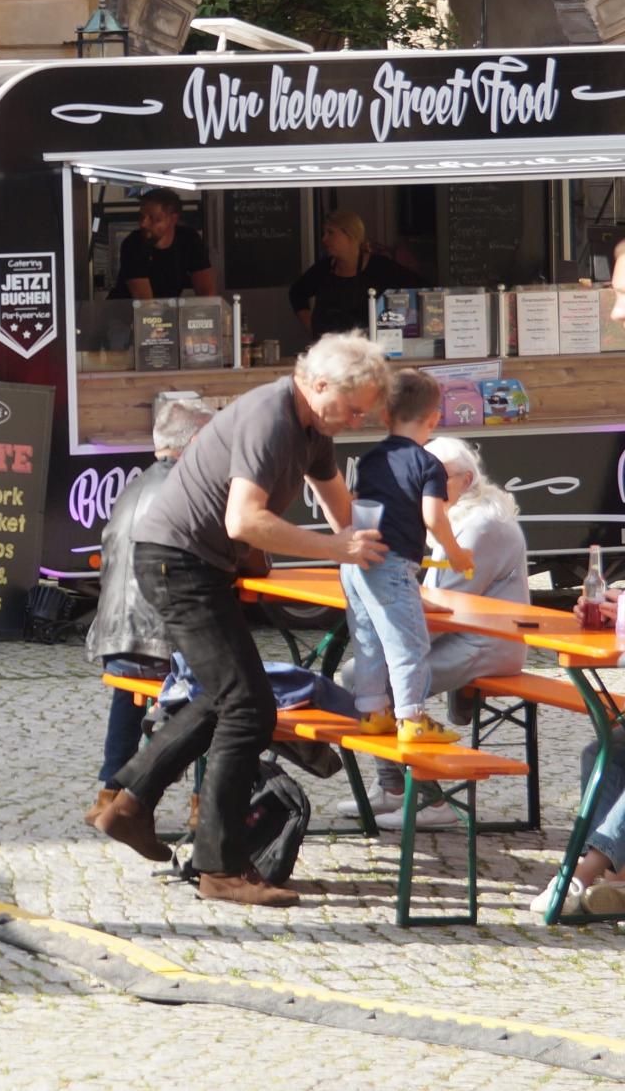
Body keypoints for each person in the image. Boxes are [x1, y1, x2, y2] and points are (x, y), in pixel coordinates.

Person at [89, 330, 388, 908]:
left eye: (364, 413)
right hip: (178, 563)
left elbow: (343, 514)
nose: (356, 421)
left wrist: (379, 557)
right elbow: (244, 522)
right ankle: (218, 867)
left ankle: (128, 804)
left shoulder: (313, 428)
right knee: (249, 708)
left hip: (196, 565)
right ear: (318, 384)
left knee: (231, 697)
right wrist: (336, 550)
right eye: (352, 409)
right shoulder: (271, 418)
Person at [383, 436, 528, 830]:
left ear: (465, 479)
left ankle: (431, 801)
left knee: (380, 682)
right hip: (465, 634)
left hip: (488, 643)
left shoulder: (480, 525)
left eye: (436, 477)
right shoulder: (459, 516)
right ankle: (393, 788)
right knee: (367, 676)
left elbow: (446, 609)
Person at [84, 395, 209, 813]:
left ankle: (109, 793)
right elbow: (239, 558)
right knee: (229, 690)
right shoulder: (193, 489)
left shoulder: (133, 487)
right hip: (162, 647)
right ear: (196, 442)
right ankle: (206, 803)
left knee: (129, 691)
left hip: (116, 641)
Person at [340, 367, 470, 747]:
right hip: (393, 564)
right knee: (409, 643)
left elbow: (356, 505)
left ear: (385, 415)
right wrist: (457, 554)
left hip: (356, 562)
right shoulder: (428, 464)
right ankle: (412, 717)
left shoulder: (369, 460)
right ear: (434, 418)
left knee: (367, 640)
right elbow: (433, 517)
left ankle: (372, 712)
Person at [289, 209, 409, 341]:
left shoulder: (380, 267)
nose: (324, 239)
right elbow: (296, 293)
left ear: (350, 234)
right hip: (328, 349)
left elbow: (417, 289)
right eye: (324, 233)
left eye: (330, 233)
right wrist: (313, 329)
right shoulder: (324, 268)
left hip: (366, 349)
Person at [111, 186, 218, 301]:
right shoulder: (133, 244)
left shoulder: (189, 239)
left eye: (152, 218)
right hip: (124, 311)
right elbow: (144, 302)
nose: (143, 224)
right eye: (141, 216)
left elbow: (207, 293)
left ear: (172, 219)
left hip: (165, 309)